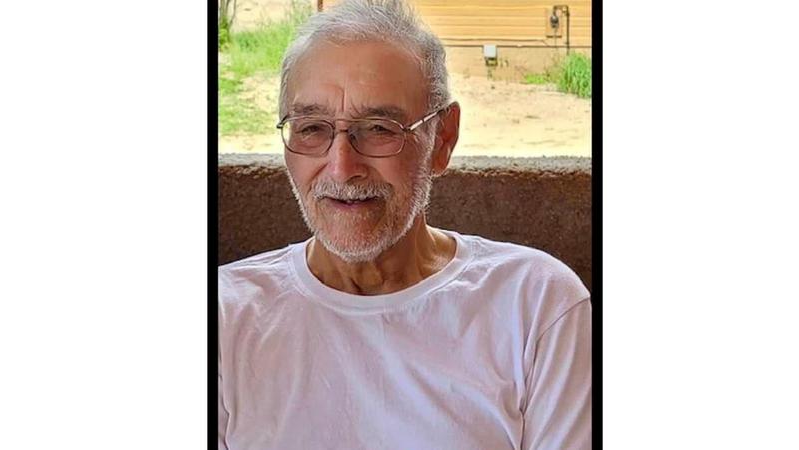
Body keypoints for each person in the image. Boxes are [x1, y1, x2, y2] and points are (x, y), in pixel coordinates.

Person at [217, 0, 591, 448]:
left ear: (443, 139)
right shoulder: (225, 317)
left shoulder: (536, 305)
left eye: (379, 128)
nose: (342, 168)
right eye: (312, 127)